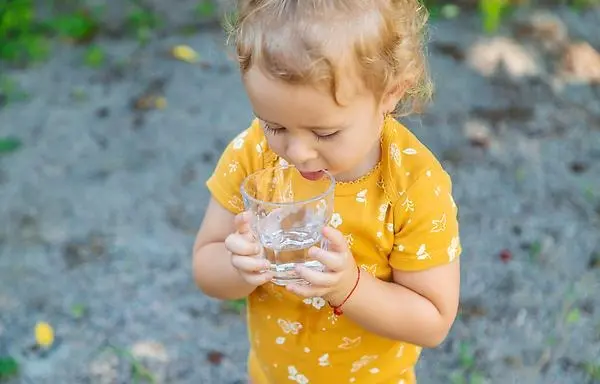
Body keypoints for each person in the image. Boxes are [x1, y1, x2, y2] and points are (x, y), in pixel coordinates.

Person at [192, 1, 461, 383]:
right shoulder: (253, 154)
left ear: (390, 93)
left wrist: (349, 287)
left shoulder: (413, 185)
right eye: (274, 125)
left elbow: (433, 321)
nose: (297, 152)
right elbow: (206, 267)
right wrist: (239, 268)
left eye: (325, 133)